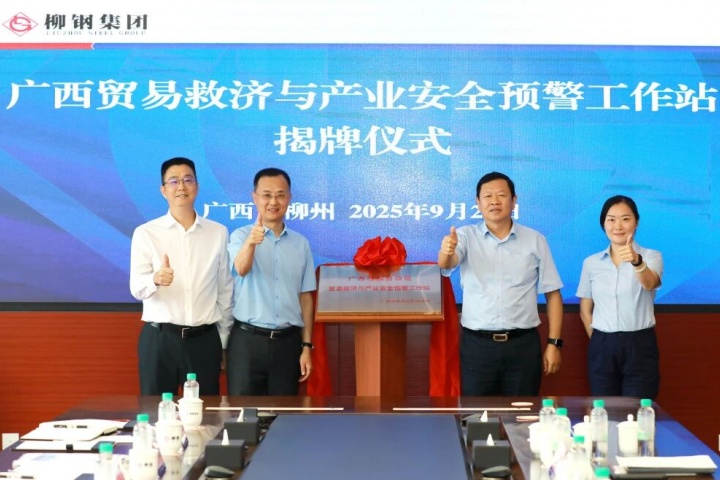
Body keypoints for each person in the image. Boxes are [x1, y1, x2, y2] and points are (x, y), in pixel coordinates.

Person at [437, 171, 564, 396]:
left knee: (521, 414)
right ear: (478, 202)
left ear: (514, 200)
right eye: (487, 196)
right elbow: (447, 264)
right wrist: (446, 251)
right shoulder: (465, 236)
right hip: (478, 347)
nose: (494, 201)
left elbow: (552, 294)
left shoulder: (535, 240)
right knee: (477, 415)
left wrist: (554, 343)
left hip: (522, 346)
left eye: (502, 195)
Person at [129, 157, 233, 396]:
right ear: (163, 190)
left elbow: (225, 290)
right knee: (156, 411)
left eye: (188, 180)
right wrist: (155, 279)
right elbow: (136, 287)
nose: (181, 187)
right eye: (174, 181)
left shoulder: (217, 232)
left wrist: (223, 341)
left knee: (204, 412)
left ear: (197, 186)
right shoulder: (146, 233)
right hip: (160, 339)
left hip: (204, 340)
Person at [226, 167, 316, 395]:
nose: (273, 202)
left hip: (287, 344)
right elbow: (241, 268)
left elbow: (305, 298)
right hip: (247, 342)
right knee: (243, 414)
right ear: (254, 197)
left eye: (280, 195)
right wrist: (251, 243)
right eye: (266, 195)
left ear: (289, 198)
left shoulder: (301, 244)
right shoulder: (240, 236)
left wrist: (306, 346)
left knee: (284, 414)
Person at [576, 195, 663, 399]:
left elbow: (650, 283)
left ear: (636, 222)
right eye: (611, 219)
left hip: (639, 344)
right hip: (602, 344)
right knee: (605, 410)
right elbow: (585, 310)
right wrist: (600, 339)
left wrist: (636, 261)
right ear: (603, 224)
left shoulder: (651, 256)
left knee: (638, 409)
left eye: (625, 219)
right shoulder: (591, 263)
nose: (618, 226)